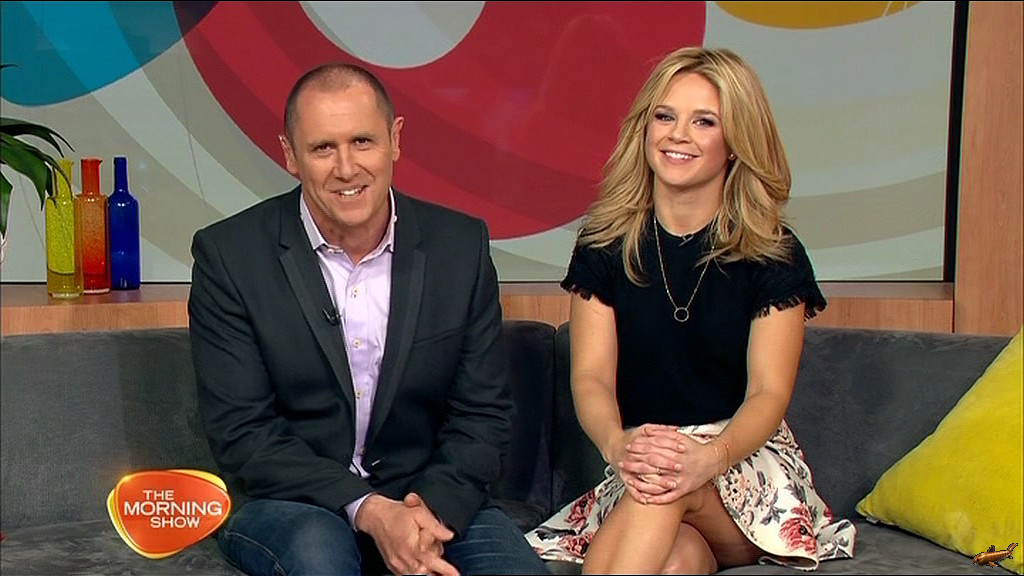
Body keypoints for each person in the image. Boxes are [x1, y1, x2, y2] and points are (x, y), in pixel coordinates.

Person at [188, 62, 550, 576]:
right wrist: (370, 510)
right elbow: (241, 432)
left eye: (362, 142)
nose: (346, 168)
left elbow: (482, 413)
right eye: (322, 148)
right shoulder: (230, 256)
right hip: (295, 502)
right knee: (320, 558)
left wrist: (426, 513)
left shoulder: (459, 247)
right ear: (290, 155)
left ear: (395, 140)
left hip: (426, 497)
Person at [525, 46, 857, 573]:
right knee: (676, 560)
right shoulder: (604, 245)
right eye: (665, 116)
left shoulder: (773, 253)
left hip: (741, 466)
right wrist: (617, 444)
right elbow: (591, 378)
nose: (678, 134)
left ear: (735, 143)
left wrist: (708, 457)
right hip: (645, 461)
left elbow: (768, 394)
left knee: (663, 485)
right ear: (644, 129)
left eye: (704, 121)